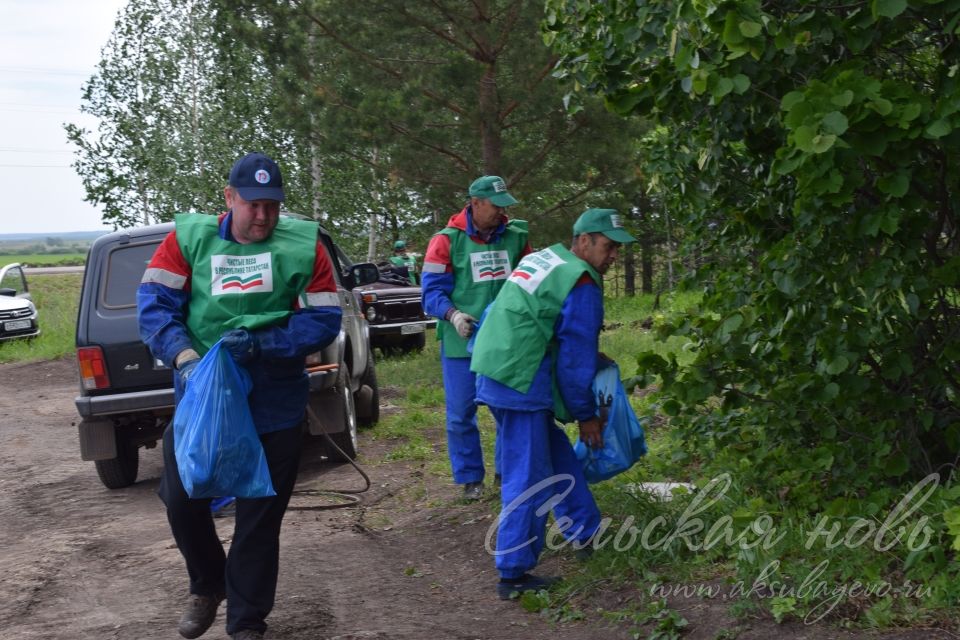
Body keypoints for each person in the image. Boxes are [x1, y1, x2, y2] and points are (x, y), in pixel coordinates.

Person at [137, 152, 342, 640]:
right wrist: (183, 356)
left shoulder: (304, 247)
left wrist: (265, 344)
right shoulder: (187, 241)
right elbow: (154, 306)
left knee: (258, 517)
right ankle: (208, 584)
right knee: (182, 501)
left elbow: (324, 317)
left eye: (273, 206)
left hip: (274, 400)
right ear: (229, 198)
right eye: (253, 205)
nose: (264, 216)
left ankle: (246, 623)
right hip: (205, 399)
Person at [470, 208, 636, 599]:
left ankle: (585, 531)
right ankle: (513, 573)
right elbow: (575, 358)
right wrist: (587, 417)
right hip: (520, 381)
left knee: (556, 455)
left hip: (498, 366)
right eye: (609, 247)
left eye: (617, 249)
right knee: (527, 476)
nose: (613, 256)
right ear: (583, 241)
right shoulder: (580, 281)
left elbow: (520, 314)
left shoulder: (543, 258)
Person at [421, 175, 532, 500]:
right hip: (461, 342)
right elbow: (430, 293)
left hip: (504, 341)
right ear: (475, 203)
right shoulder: (445, 241)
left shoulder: (515, 237)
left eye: (504, 206)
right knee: (460, 414)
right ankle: (471, 479)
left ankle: (504, 473)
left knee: (507, 410)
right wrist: (453, 315)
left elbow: (530, 283)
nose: (501, 212)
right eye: (496, 206)